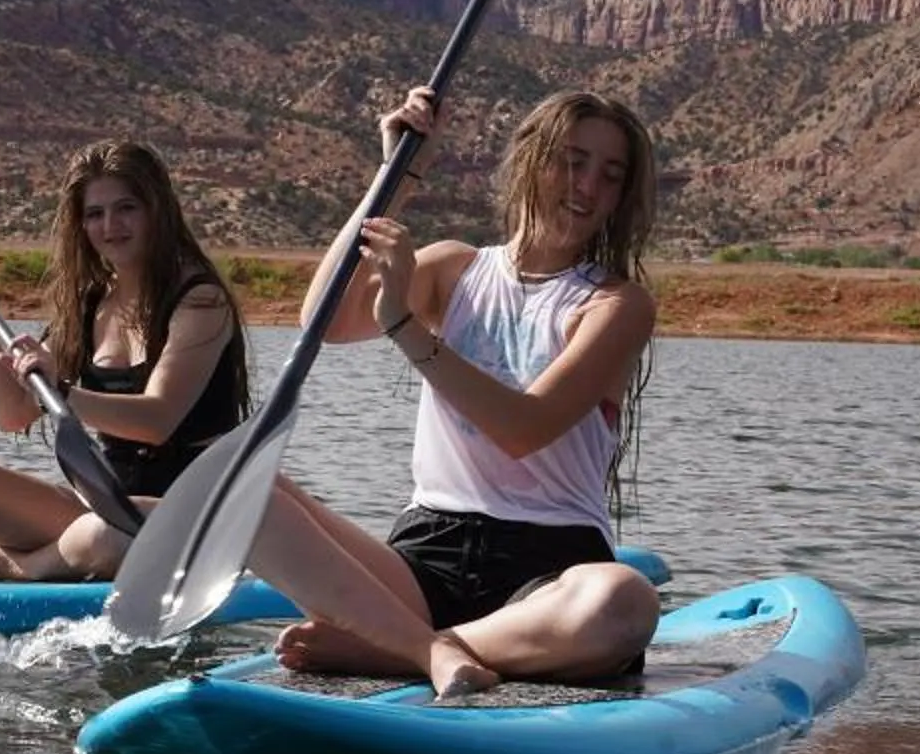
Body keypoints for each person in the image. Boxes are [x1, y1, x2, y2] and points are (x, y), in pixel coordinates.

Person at [245, 86, 663, 698]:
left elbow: (523, 428)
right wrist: (396, 175)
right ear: (529, 161)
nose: (586, 186)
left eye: (610, 174)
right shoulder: (454, 268)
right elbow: (325, 321)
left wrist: (405, 328)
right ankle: (426, 648)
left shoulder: (617, 305)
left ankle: (394, 648)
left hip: (549, 566)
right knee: (243, 482)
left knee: (625, 600)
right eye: (570, 162)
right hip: (426, 552)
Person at [0, 139, 250, 583]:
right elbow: (13, 413)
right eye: (95, 214)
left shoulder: (200, 300)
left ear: (157, 210)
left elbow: (159, 419)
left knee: (100, 537)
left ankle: (7, 563)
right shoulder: (91, 304)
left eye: (127, 208)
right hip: (108, 503)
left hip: (194, 517)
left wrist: (61, 390)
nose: (111, 225)